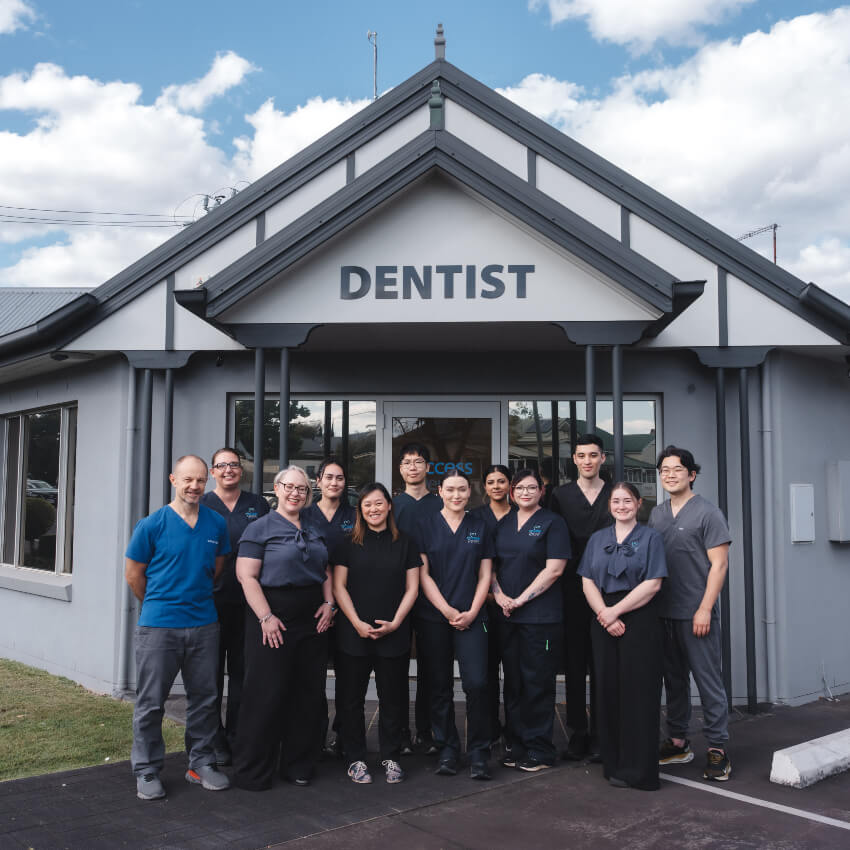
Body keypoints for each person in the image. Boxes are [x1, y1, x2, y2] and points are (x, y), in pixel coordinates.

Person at [124, 455, 232, 801]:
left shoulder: (216, 524)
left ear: (209, 480)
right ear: (173, 480)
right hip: (159, 627)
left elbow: (215, 570)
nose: (194, 486)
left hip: (204, 624)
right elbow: (134, 576)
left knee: (204, 699)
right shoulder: (151, 525)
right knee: (151, 702)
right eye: (188, 479)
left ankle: (200, 763)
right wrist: (161, 603)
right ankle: (147, 769)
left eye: (200, 480)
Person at [233, 465, 335, 790]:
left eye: (302, 489)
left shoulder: (315, 527)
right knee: (266, 693)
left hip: (312, 619)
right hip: (271, 618)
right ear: (276, 489)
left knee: (307, 694)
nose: (295, 493)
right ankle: (253, 771)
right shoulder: (259, 528)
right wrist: (266, 616)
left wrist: (329, 603)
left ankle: (298, 764)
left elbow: (326, 568)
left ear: (308, 494)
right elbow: (246, 576)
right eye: (289, 487)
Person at [649, 446, 732, 782]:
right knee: (675, 681)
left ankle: (718, 749)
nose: (670, 474)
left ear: (691, 474)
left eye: (677, 469)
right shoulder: (656, 514)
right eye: (664, 470)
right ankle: (679, 742)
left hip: (696, 613)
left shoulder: (708, 513)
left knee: (708, 681)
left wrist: (705, 608)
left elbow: (720, 565)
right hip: (663, 614)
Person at [579, 481, 667, 790]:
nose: (621, 506)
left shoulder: (650, 538)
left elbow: (653, 583)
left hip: (638, 619)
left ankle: (639, 771)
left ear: (638, 503)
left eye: (627, 501)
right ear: (609, 506)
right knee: (607, 691)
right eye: (616, 501)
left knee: (638, 694)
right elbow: (587, 580)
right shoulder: (597, 539)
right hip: (602, 618)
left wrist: (616, 612)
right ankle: (614, 765)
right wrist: (604, 613)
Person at [332, 483, 420, 785]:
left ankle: (391, 756)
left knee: (393, 698)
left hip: (393, 633)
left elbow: (413, 588)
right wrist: (356, 622)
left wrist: (395, 622)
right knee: (351, 699)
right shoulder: (347, 543)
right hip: (353, 631)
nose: (374, 509)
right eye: (367, 504)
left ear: (389, 506)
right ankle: (355, 757)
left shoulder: (405, 542)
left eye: (379, 503)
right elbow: (338, 587)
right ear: (360, 509)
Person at [492, 468, 570, 772]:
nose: (525, 492)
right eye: (520, 488)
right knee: (513, 682)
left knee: (537, 681)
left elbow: (554, 569)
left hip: (541, 617)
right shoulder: (504, 524)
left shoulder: (553, 523)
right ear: (512, 493)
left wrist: (521, 599)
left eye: (532, 488)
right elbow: (492, 567)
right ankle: (516, 743)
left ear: (541, 491)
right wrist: (498, 596)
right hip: (507, 616)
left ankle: (540, 748)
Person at [418, 471, 494, 779]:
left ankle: (478, 752)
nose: (456, 495)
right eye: (450, 489)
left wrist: (472, 611)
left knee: (477, 684)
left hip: (473, 618)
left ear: (469, 492)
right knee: (439, 686)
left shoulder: (480, 526)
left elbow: (486, 574)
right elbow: (423, 575)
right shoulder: (425, 527)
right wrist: (448, 610)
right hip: (435, 618)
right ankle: (447, 748)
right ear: (440, 491)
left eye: (462, 489)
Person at [200, 447, 269, 765]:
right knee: (210, 674)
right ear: (213, 472)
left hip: (247, 605)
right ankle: (212, 740)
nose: (228, 470)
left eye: (234, 465)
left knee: (244, 672)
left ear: (242, 470)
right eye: (222, 465)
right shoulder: (200, 504)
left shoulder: (257, 505)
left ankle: (238, 736)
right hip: (209, 604)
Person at [550, 434, 613, 761]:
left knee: (603, 664)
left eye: (593, 455)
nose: (587, 460)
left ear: (603, 458)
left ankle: (603, 735)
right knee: (575, 665)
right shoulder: (560, 496)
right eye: (581, 455)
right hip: (571, 591)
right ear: (573, 459)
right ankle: (578, 733)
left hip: (610, 591)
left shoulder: (615, 494)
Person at [301, 458, 356, 758]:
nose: (334, 483)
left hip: (348, 605)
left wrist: (338, 604)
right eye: (329, 477)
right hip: (314, 607)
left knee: (348, 677)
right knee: (313, 677)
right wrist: (325, 603)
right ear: (318, 481)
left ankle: (345, 737)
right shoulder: (304, 515)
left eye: (340, 478)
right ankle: (313, 738)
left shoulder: (356, 515)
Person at [392, 442, 442, 755]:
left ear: (427, 467)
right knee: (396, 667)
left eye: (419, 461)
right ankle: (399, 733)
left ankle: (426, 731)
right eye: (407, 462)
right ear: (400, 468)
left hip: (431, 595)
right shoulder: (392, 504)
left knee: (431, 666)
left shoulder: (441, 504)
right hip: (396, 595)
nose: (413, 467)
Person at [469, 464, 515, 747]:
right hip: (483, 603)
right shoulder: (475, 518)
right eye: (490, 482)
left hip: (515, 604)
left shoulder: (520, 516)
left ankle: (514, 730)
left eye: (501, 481)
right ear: (484, 487)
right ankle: (489, 729)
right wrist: (488, 595)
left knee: (513, 673)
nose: (496, 486)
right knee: (485, 673)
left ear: (510, 485)